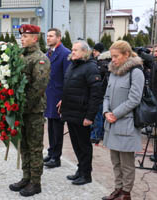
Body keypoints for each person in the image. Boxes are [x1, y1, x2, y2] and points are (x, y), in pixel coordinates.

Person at [9, 24, 50, 197]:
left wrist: (23, 106)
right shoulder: (20, 56)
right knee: (23, 145)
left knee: (34, 147)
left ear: (35, 38)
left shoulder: (40, 58)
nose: (22, 39)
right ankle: (26, 177)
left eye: (25, 36)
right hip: (20, 110)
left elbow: (38, 87)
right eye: (21, 36)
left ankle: (35, 182)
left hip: (33, 111)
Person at [102, 40, 145, 200]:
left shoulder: (136, 72)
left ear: (126, 55)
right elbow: (106, 95)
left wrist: (115, 114)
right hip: (112, 124)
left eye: (116, 56)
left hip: (126, 124)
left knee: (126, 164)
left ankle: (126, 193)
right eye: (111, 56)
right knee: (115, 161)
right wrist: (106, 111)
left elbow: (134, 99)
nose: (112, 59)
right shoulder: (113, 72)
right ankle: (117, 189)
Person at [58, 40, 102, 185]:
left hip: (82, 114)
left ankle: (86, 174)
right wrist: (63, 101)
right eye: (72, 50)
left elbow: (96, 94)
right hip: (71, 111)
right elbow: (69, 87)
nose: (73, 52)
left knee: (84, 145)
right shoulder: (73, 65)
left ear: (85, 52)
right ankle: (80, 170)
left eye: (76, 50)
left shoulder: (90, 67)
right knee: (76, 145)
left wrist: (90, 116)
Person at [43, 28, 71, 168]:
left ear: (59, 38)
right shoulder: (47, 53)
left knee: (57, 128)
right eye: (47, 36)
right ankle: (51, 151)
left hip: (58, 95)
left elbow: (68, 77)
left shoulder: (65, 53)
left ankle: (56, 157)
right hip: (49, 95)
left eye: (51, 36)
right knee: (51, 126)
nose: (48, 38)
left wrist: (64, 98)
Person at [90, 50, 112, 144]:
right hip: (106, 95)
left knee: (97, 116)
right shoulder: (109, 67)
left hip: (99, 95)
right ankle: (102, 134)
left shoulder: (100, 66)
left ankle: (95, 135)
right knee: (102, 116)